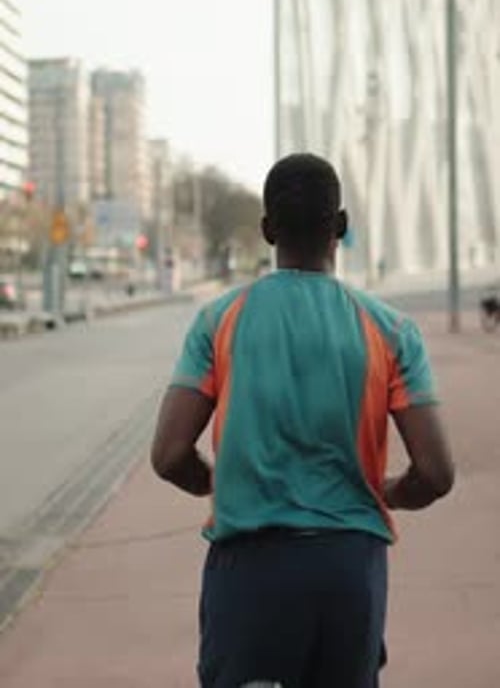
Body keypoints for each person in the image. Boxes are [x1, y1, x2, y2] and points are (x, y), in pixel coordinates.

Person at [151, 153, 455, 688]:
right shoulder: (391, 330)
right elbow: (435, 472)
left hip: (249, 572)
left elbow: (170, 454)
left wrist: (218, 483)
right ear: (340, 226)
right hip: (348, 570)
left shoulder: (218, 320)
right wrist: (388, 492)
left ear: (267, 230)